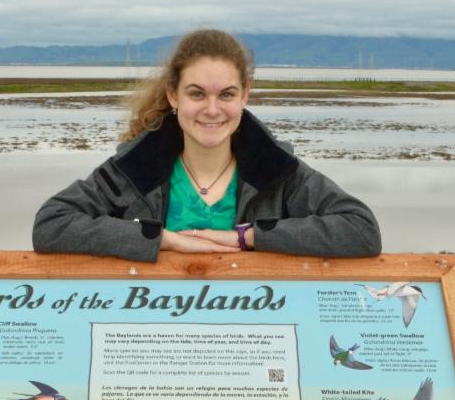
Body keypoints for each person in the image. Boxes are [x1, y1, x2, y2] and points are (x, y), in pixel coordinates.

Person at [32, 29, 381, 261]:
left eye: (226, 94)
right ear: (173, 95)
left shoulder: (278, 172)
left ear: (245, 94)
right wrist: (160, 239)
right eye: (197, 93)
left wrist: (249, 237)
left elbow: (361, 230)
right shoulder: (134, 171)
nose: (212, 110)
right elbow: (51, 224)